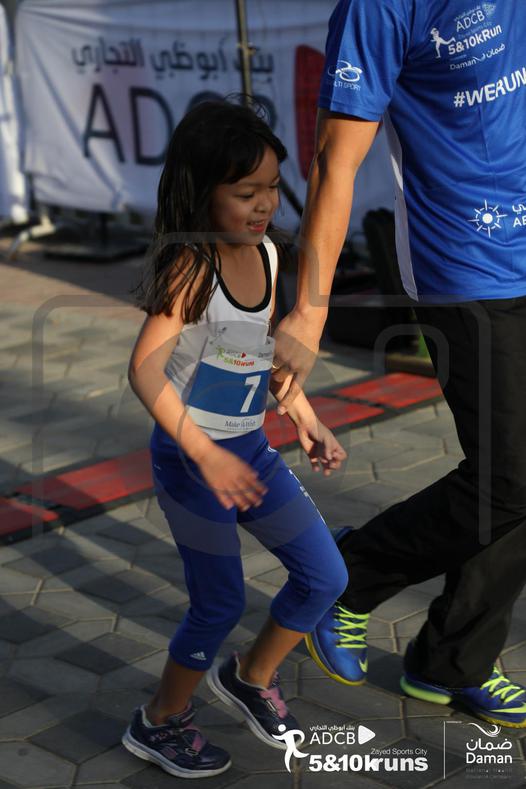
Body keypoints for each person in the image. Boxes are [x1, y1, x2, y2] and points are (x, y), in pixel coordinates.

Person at [272, 0, 526, 728]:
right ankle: (350, 578)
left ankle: (453, 660)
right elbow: (335, 160)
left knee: (516, 474)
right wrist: (309, 311)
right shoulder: (380, 6)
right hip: (464, 266)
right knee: (509, 475)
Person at [121, 99, 349, 779]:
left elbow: (257, 356)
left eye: (273, 187)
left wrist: (304, 416)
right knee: (219, 602)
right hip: (192, 462)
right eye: (246, 192)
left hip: (248, 450)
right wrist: (204, 453)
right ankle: (158, 721)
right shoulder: (192, 268)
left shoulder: (270, 254)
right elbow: (143, 369)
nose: (264, 204)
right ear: (203, 190)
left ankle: (250, 677)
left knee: (326, 575)